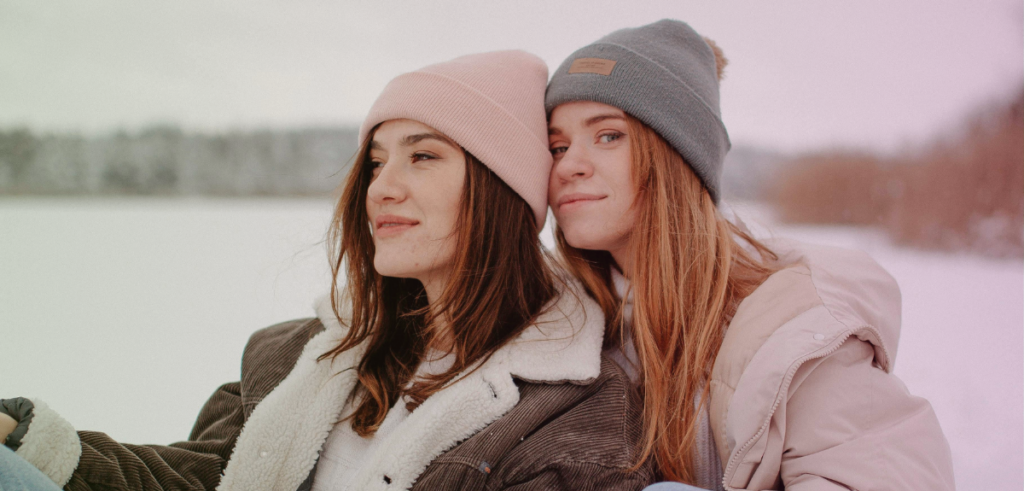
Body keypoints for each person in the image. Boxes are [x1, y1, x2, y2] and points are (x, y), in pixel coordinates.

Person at [0, 51, 654, 491]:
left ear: (499, 189)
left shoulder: (571, 414)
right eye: (375, 161)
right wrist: (29, 441)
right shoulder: (302, 354)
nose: (381, 189)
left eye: (422, 157)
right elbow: (203, 477)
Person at [544, 20, 956, 490]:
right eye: (558, 145)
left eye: (609, 135)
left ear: (678, 155)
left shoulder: (792, 328)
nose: (568, 165)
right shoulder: (558, 320)